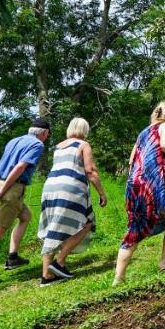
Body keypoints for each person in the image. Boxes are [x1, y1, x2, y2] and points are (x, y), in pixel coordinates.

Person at [0, 117, 51, 287]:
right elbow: (19, 167)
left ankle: (13, 257)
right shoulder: (37, 144)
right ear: (43, 133)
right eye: (47, 135)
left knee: (25, 216)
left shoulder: (14, 141)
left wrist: (0, 187)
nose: (46, 138)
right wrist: (4, 190)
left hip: (0, 182)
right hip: (11, 188)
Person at [114, 102, 165, 285]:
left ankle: (119, 277)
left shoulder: (143, 132)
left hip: (135, 184)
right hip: (156, 182)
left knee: (135, 228)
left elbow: (132, 160)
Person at [36, 117, 107, 286]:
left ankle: (46, 276)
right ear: (85, 130)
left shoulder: (58, 146)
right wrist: (102, 194)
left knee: (52, 228)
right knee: (87, 223)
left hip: (50, 188)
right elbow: (90, 171)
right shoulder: (83, 145)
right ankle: (59, 262)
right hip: (70, 187)